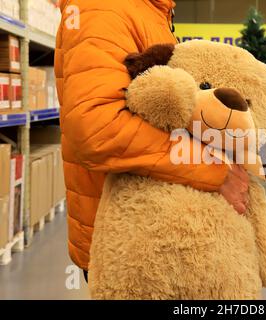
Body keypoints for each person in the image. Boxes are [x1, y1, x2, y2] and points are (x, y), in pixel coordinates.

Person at [55, 0, 249, 277]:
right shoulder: (102, 7)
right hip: (130, 246)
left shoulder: (152, 10)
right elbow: (96, 128)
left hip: (154, 234)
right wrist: (215, 171)